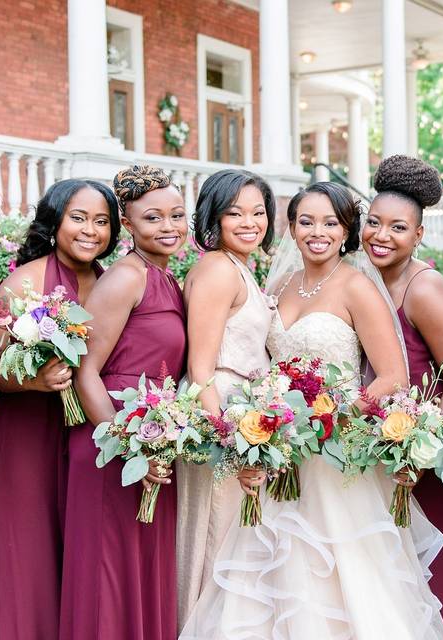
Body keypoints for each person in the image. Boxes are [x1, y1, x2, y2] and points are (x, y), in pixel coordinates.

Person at [180, 181, 443, 639]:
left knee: (338, 579)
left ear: (347, 231)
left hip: (334, 454)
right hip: (281, 450)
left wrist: (332, 415)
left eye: (330, 223)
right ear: (291, 228)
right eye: (306, 222)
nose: (317, 232)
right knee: (273, 575)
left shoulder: (357, 287)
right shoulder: (278, 284)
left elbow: (391, 377)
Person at [0, 179, 119, 639]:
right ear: (55, 220)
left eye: (102, 221)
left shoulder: (108, 281)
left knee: (76, 551)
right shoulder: (24, 281)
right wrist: (33, 380)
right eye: (78, 218)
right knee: (26, 552)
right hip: (25, 433)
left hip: (82, 435)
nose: (90, 231)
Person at [61, 165, 187, 639]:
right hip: (111, 443)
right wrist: (126, 445)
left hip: (154, 441)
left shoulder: (168, 277)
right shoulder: (126, 278)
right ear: (128, 226)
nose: (169, 226)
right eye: (153, 218)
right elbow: (84, 370)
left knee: (143, 569)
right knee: (109, 576)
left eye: (177, 215)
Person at [362, 155, 443, 638]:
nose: (381, 235)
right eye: (373, 223)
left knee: (419, 588)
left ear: (418, 236)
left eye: (398, 228)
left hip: (415, 459)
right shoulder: (360, 277)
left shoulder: (426, 289)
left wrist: (422, 449)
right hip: (364, 454)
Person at [175, 169, 277, 627]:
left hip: (240, 413)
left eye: (258, 212)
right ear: (213, 218)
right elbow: (200, 369)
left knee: (238, 541)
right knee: (218, 539)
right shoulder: (218, 269)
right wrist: (231, 443)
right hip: (219, 412)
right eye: (235, 212)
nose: (249, 221)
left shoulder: (239, 266)